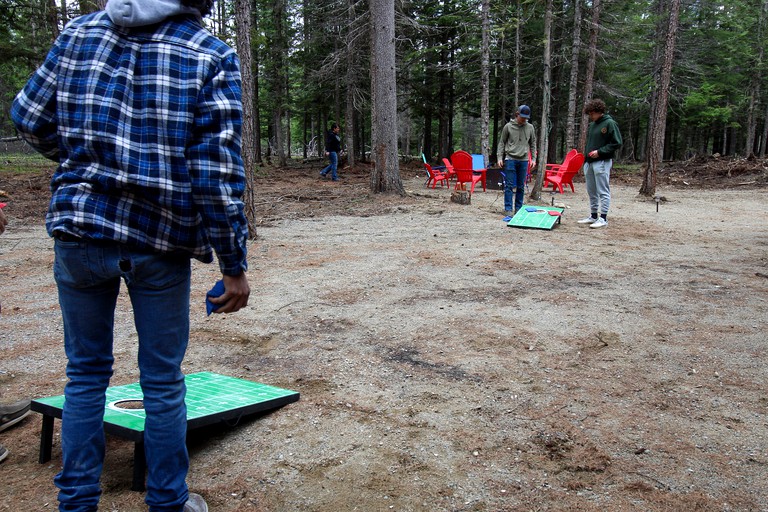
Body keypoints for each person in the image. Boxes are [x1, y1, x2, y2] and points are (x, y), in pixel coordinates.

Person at [11, 1, 250, 511]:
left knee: (85, 375)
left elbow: (28, 118)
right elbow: (216, 176)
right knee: (162, 381)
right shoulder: (209, 54)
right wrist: (233, 265)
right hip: (157, 238)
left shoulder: (78, 34)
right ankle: (168, 503)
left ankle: (76, 503)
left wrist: (85, 156)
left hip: (79, 230)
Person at [578, 99, 623, 229]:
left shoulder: (609, 123)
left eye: (592, 114)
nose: (591, 117)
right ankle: (593, 215)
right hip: (590, 162)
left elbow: (617, 142)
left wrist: (600, 152)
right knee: (591, 190)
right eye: (589, 114)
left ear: (599, 111)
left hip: (602, 161)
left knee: (603, 190)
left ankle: (603, 218)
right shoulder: (593, 125)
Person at [496, 105, 537, 214]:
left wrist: (533, 159)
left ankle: (518, 208)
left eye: (526, 117)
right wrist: (499, 157)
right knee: (509, 185)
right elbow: (502, 142)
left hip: (524, 160)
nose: (524, 119)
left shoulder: (530, 128)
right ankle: (508, 209)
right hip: (510, 159)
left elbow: (533, 143)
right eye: (522, 117)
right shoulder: (508, 126)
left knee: (521, 186)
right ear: (517, 114)